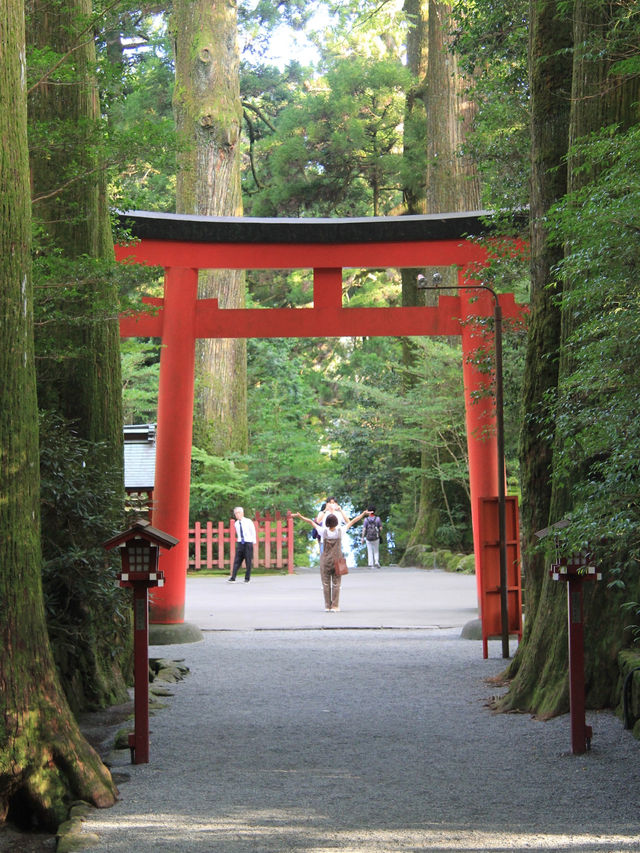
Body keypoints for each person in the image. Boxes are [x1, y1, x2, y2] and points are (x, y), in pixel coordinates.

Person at [294, 508, 368, 611]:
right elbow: (353, 521)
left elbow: (311, 522)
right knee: (336, 583)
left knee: (325, 583)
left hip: (326, 560)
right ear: (336, 522)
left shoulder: (323, 532)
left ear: (327, 523)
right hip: (338, 560)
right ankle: (335, 606)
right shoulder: (340, 531)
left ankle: (327, 606)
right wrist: (363, 513)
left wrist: (300, 516)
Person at [228, 506, 257, 583]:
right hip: (240, 542)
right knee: (237, 560)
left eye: (239, 513)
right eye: (236, 513)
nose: (237, 515)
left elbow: (253, 531)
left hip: (248, 542)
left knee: (248, 560)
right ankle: (233, 577)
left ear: (242, 513)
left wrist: (253, 541)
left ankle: (247, 578)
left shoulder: (248, 521)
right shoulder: (236, 523)